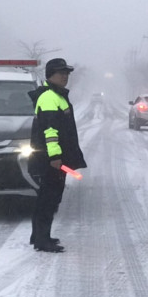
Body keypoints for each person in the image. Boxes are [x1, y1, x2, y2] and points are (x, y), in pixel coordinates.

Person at [27, 58, 87, 252]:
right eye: (61, 73)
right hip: (50, 160)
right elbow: (50, 130)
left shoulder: (57, 95)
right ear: (50, 74)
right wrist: (54, 157)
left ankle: (40, 236)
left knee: (49, 198)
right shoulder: (49, 98)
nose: (65, 76)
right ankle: (42, 240)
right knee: (48, 199)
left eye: (67, 73)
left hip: (55, 160)